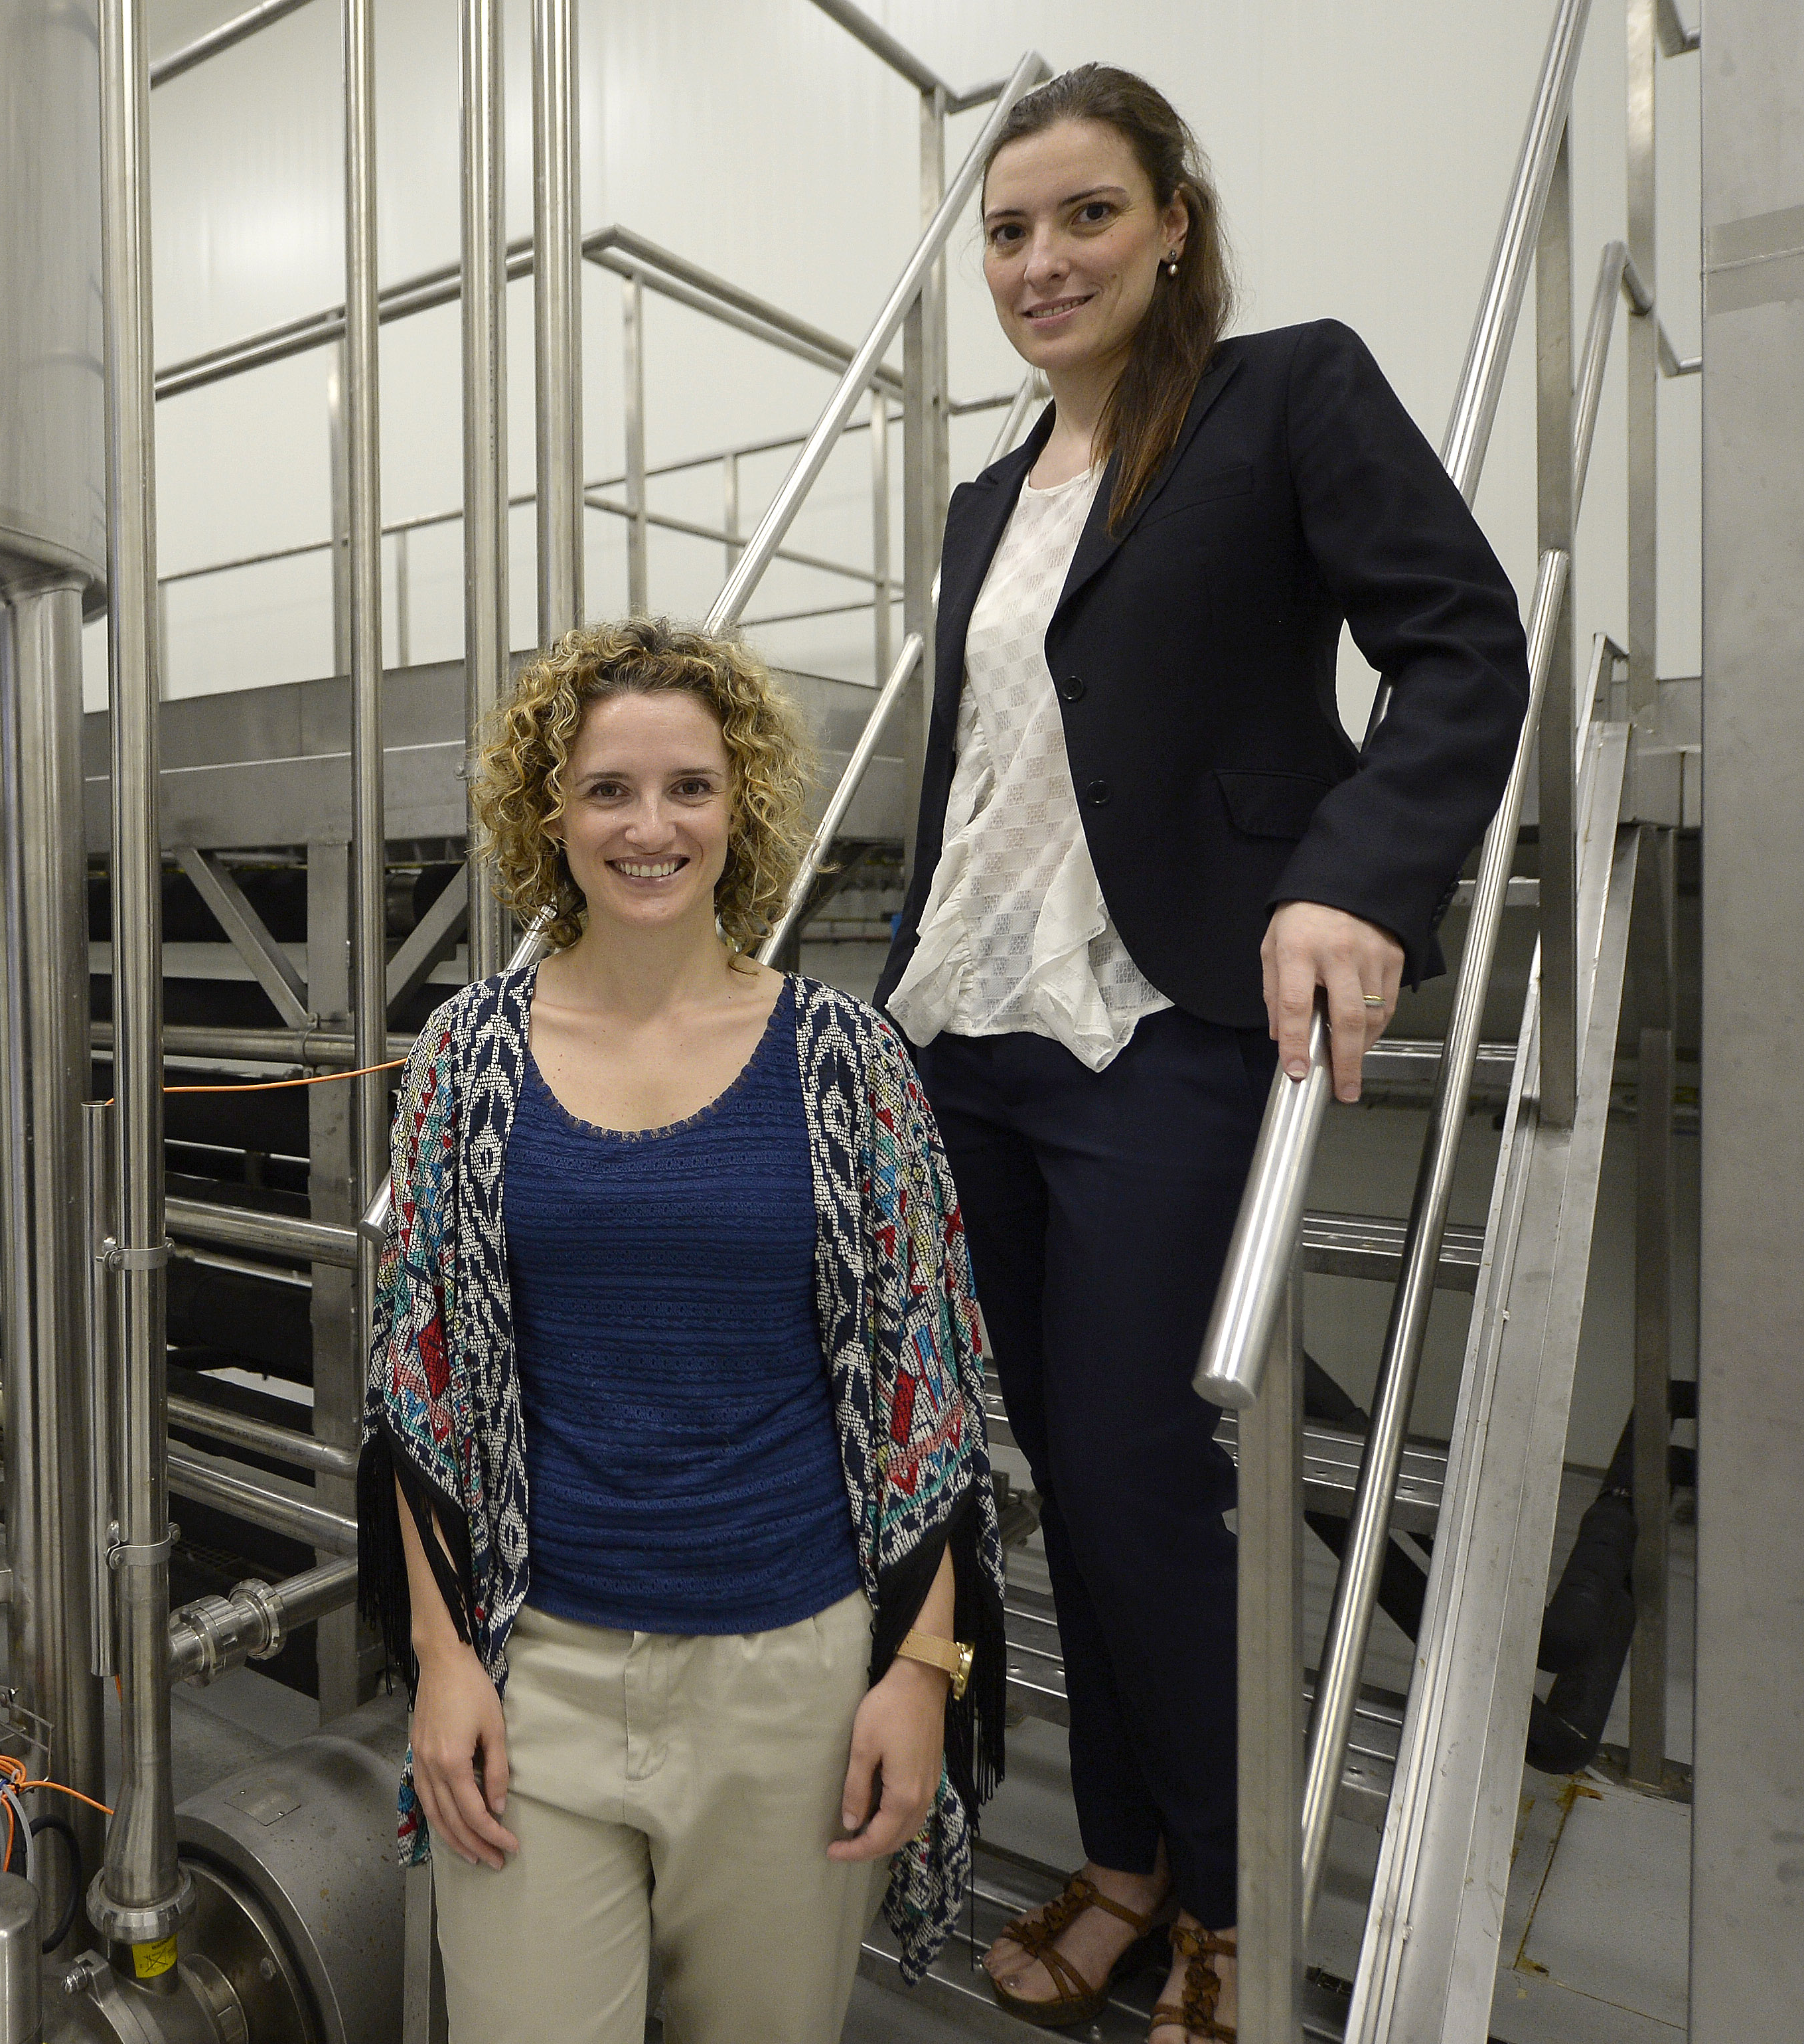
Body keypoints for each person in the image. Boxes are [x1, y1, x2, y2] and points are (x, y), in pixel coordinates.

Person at [879, 68, 1529, 2043]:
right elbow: (980, 772)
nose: (1040, 260)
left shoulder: (1283, 396)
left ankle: (1235, 1894)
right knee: (1061, 1474)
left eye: (1085, 214)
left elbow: (1461, 641)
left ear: (1173, 222)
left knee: (1139, 1468)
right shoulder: (983, 500)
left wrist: (1352, 879)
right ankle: (1128, 1857)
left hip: (1159, 1019)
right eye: (1007, 231)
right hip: (965, 1040)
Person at [359, 617, 1008, 2042]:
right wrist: (445, 1661)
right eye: (609, 790)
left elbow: (931, 1391)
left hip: (793, 1683)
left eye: (689, 788)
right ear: (551, 814)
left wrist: (921, 1670)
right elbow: (417, 1384)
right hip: (537, 1672)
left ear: (741, 806)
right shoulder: (464, 1056)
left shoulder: (850, 1063)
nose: (650, 827)